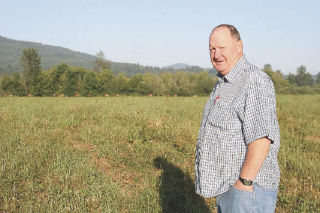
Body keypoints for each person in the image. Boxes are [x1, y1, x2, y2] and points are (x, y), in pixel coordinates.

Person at [195, 24, 280, 213]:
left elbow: (261, 139)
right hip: (230, 187)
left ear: (239, 47)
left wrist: (244, 183)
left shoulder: (253, 81)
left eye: (222, 48)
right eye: (212, 49)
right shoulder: (224, 83)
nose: (216, 55)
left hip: (248, 189)